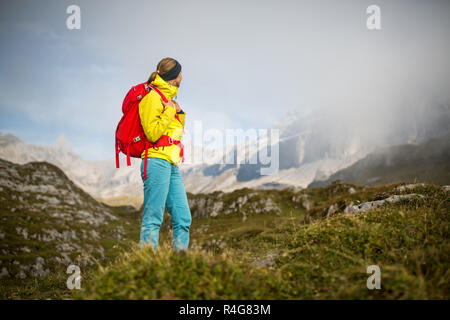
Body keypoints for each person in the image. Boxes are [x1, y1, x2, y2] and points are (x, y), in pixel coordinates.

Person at [138, 57, 191, 251]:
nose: (182, 76)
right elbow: (152, 133)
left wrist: (179, 112)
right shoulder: (151, 97)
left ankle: (180, 266)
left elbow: (173, 133)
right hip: (155, 161)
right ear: (173, 76)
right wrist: (170, 111)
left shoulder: (168, 99)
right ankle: (145, 266)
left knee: (183, 217)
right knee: (153, 219)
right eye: (180, 72)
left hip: (170, 163)